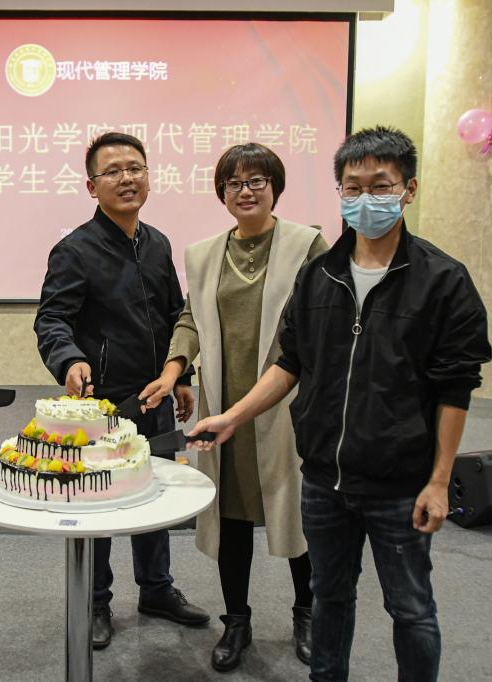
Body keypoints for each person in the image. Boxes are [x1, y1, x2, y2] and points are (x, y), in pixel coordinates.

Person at [189, 126, 492, 681]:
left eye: (380, 186)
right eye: (352, 188)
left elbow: (456, 386)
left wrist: (439, 480)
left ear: (409, 189)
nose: (364, 199)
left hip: (400, 481)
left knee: (410, 608)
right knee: (330, 598)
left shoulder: (443, 281)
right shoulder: (319, 275)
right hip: (324, 477)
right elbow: (290, 363)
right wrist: (232, 417)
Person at [139, 143, 327, 671]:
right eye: (234, 183)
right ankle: (237, 620)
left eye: (256, 180)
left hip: (288, 402)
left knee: (297, 512)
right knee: (232, 515)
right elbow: (190, 319)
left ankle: (307, 614)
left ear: (275, 186)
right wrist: (172, 371)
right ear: (221, 192)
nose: (245, 191)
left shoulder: (307, 245)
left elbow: (322, 319)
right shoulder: (204, 254)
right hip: (224, 407)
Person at [34, 131, 210, 649]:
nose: (127, 178)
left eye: (135, 168)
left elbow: (174, 315)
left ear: (148, 177)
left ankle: (156, 589)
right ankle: (95, 603)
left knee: (152, 494)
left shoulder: (157, 243)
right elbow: (51, 320)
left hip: (155, 394)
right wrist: (70, 360)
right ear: (92, 186)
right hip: (103, 404)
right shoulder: (75, 250)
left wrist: (182, 378)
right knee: (100, 504)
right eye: (112, 171)